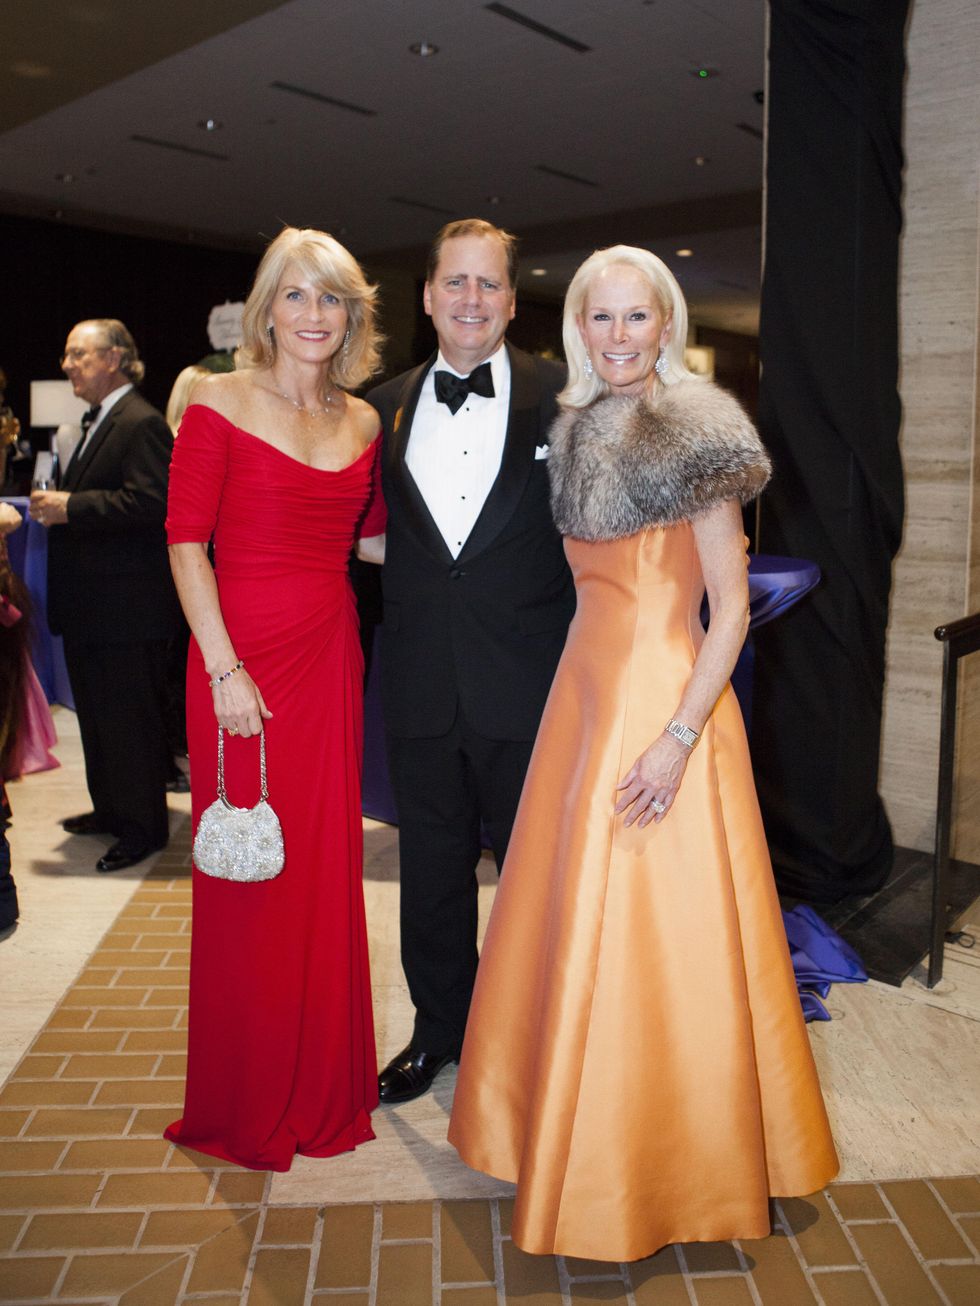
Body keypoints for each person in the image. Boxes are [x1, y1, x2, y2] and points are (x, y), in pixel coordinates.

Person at [448, 246, 839, 1261]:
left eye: (635, 317)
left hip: (663, 703)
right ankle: (565, 1128)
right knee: (567, 922)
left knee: (657, 944)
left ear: (665, 324)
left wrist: (675, 738)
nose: (618, 336)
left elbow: (726, 611)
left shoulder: (693, 429)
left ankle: (660, 1161)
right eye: (599, 318)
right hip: (582, 695)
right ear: (579, 327)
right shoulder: (576, 426)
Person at [164, 226, 385, 1171]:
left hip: (330, 660)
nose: (312, 315)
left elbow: (378, 543)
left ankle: (320, 1084)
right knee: (248, 877)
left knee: (322, 873)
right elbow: (184, 543)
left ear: (351, 316)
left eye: (329, 298)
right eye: (294, 296)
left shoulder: (368, 422)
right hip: (238, 661)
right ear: (266, 310)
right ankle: (246, 1096)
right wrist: (223, 670)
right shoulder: (216, 400)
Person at [366, 219, 575, 1104]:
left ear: (513, 299)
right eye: (455, 283)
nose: (471, 301)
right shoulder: (378, 408)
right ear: (426, 296)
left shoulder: (568, 398)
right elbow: (369, 539)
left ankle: (533, 1038)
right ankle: (438, 1029)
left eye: (488, 285)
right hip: (419, 682)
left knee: (537, 877)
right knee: (433, 878)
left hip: (529, 685)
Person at [30, 320, 180, 872]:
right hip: (94, 607)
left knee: (129, 723)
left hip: (127, 609)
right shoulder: (97, 421)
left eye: (77, 354)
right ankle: (112, 810)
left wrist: (74, 505)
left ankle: (143, 827)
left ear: (113, 358)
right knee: (96, 718)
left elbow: (152, 504)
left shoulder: (140, 422)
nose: (67, 364)